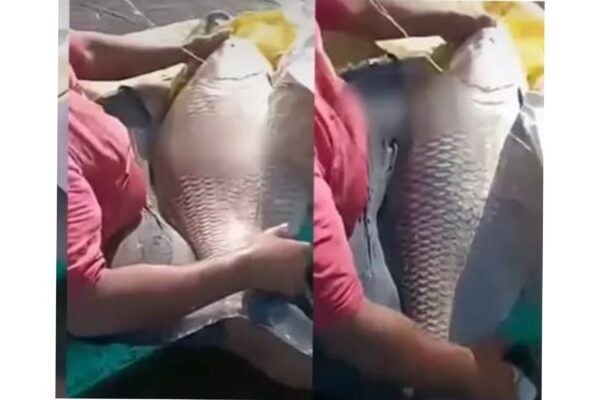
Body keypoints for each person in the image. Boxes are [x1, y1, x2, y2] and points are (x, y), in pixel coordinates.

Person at [313, 1, 517, 399]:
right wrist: (480, 377)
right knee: (376, 354)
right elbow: (345, 320)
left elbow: (355, 8)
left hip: (346, 131)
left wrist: (468, 22)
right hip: (333, 209)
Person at [67, 28, 310, 338]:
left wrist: (184, 51)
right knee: (222, 313)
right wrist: (245, 268)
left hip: (111, 166)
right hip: (113, 237)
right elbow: (85, 308)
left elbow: (82, 50)